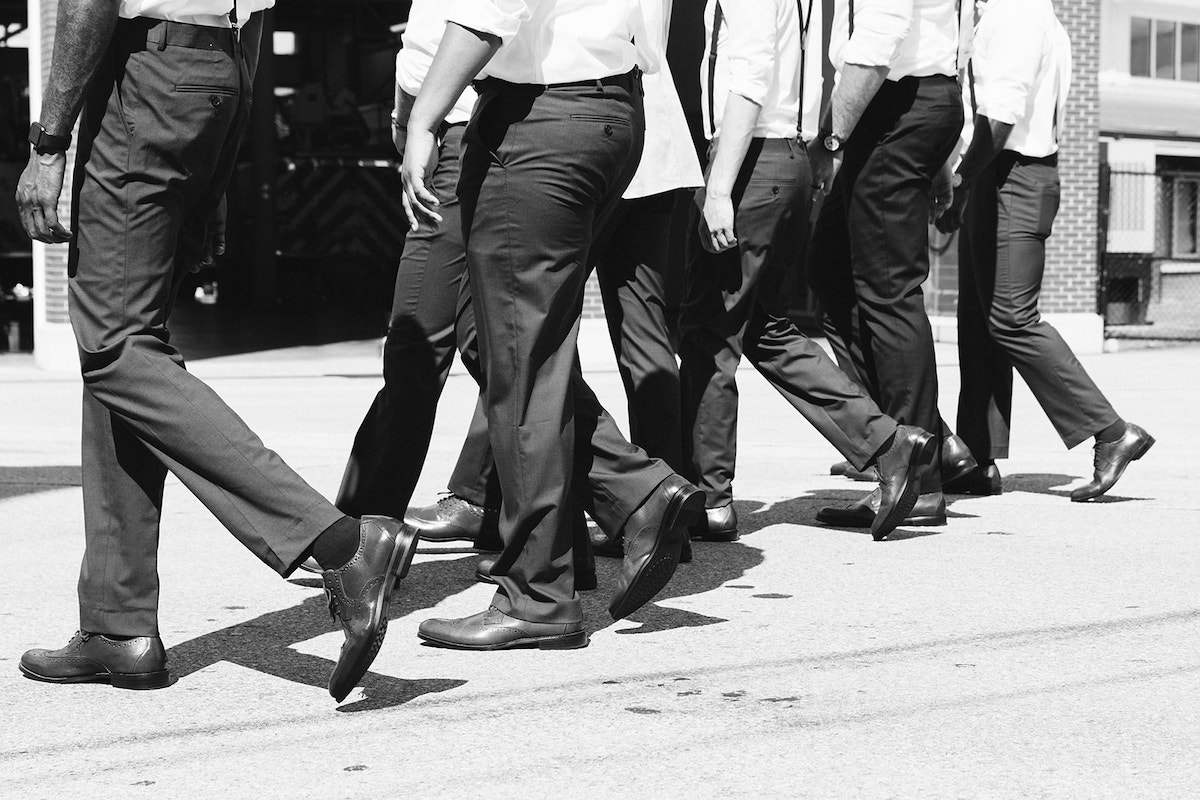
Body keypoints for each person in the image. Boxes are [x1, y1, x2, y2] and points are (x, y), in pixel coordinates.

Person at [14, 0, 414, 703]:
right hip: (216, 74)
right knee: (124, 350)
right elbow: (254, 17)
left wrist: (49, 143)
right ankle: (117, 624)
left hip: (146, 76)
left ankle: (341, 546)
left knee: (114, 347)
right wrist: (219, 119)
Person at [400, 0, 705, 650]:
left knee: (520, 355)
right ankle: (634, 496)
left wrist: (423, 116)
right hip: (608, 107)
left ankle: (538, 593)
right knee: (503, 339)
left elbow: (487, 10)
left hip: (541, 116)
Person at [677, 0, 937, 544]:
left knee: (709, 334)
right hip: (788, 159)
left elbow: (748, 76)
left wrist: (719, 187)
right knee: (766, 329)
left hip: (749, 160)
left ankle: (710, 497)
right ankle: (889, 446)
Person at [935, 0, 1153, 500]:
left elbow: (1002, 114)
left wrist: (962, 181)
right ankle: (977, 457)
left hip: (1014, 175)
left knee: (1011, 318)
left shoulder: (1017, 14)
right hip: (1000, 174)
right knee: (980, 321)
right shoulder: (1020, 13)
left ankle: (1112, 431)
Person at [807, 0, 971, 528]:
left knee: (888, 291)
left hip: (895, 106)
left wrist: (831, 140)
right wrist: (939, 163)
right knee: (831, 271)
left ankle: (917, 480)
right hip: (905, 107)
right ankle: (922, 442)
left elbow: (881, 34)